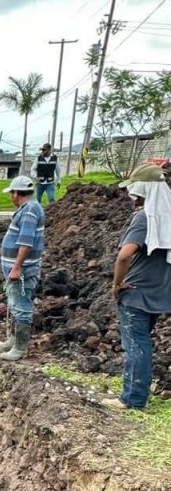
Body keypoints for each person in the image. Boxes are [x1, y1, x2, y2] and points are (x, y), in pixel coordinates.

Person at [103, 163, 171, 411]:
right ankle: (138, 392)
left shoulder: (144, 218)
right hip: (159, 290)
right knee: (142, 342)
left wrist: (117, 284)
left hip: (137, 292)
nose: (131, 197)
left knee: (135, 344)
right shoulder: (169, 214)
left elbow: (125, 255)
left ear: (142, 190)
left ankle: (132, 399)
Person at [0, 174, 45, 361]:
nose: (11, 197)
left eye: (11, 193)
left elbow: (26, 242)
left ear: (16, 193)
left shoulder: (30, 210)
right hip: (18, 268)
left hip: (23, 270)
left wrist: (16, 268)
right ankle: (13, 340)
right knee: (15, 304)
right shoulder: (28, 208)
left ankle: (20, 349)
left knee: (22, 306)